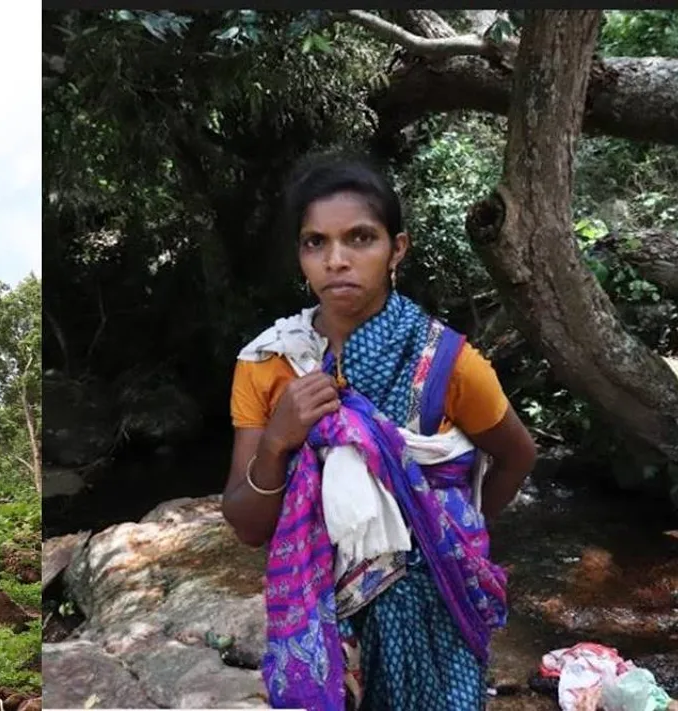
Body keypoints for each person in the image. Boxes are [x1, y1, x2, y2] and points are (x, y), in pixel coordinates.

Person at [221, 153, 538, 711]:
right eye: (315, 242)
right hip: (327, 622)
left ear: (398, 249)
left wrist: (450, 536)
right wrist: (277, 440)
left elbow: (517, 456)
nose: (336, 260)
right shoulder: (270, 364)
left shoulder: (447, 364)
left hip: (435, 605)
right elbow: (247, 523)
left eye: (360, 238)